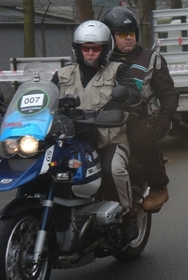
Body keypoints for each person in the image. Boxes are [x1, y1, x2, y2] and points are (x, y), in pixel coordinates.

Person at [51, 20, 142, 241]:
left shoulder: (117, 70)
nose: (90, 53)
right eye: (85, 48)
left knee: (115, 170)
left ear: (105, 49)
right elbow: (45, 99)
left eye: (96, 48)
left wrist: (123, 99)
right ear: (77, 49)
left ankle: (129, 215)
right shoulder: (62, 75)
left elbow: (132, 92)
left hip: (109, 140)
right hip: (71, 142)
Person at [102, 7, 179, 213]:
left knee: (140, 134)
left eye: (132, 33)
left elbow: (170, 95)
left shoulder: (151, 59)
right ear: (109, 36)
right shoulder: (102, 61)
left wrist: (161, 125)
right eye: (122, 34)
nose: (129, 38)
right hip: (107, 120)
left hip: (142, 120)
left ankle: (158, 186)